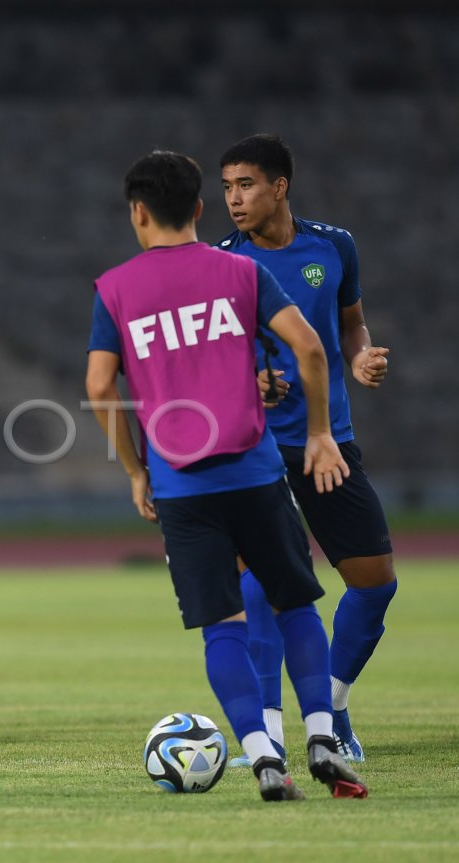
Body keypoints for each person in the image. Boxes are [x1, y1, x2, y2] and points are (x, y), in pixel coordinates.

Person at [85, 150, 367, 800]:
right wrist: (321, 432)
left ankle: (264, 751)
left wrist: (134, 469)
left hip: (182, 484)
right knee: (296, 602)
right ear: (200, 209)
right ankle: (322, 733)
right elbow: (311, 347)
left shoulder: (114, 288)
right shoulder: (240, 271)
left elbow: (100, 385)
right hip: (256, 469)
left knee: (224, 625)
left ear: (137, 212)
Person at [218, 134, 396, 766]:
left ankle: (335, 701)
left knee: (374, 582)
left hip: (328, 441)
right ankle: (267, 733)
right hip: (255, 448)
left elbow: (350, 321)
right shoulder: (224, 263)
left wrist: (361, 356)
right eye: (228, 187)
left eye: (246, 185)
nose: (234, 199)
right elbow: (213, 360)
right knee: (262, 582)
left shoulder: (333, 246)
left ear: (280, 186)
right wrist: (252, 382)